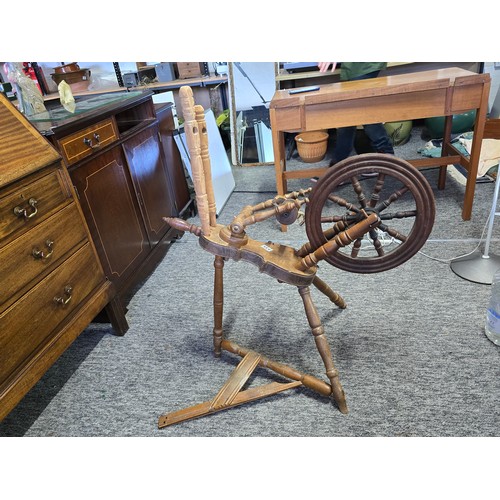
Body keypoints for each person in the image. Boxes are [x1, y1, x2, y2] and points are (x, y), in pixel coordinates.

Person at [317, 62, 394, 166]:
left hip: (362, 65)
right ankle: (338, 164)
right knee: (350, 114)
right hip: (353, 66)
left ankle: (387, 156)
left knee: (361, 113)